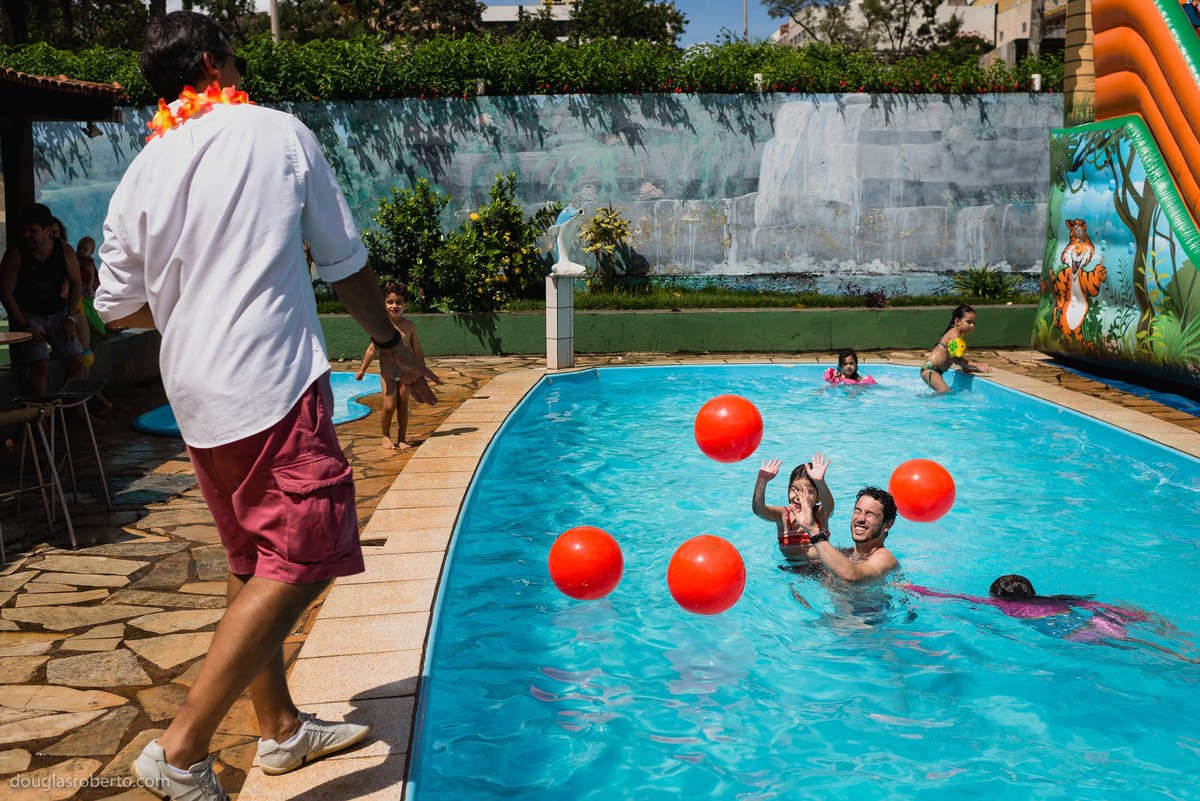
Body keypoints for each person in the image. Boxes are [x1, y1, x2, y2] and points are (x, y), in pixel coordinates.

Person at [93, 12, 442, 801]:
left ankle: (279, 727)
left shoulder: (141, 171)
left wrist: (190, 302)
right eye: (237, 56)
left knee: (253, 560)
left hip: (195, 393)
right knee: (311, 544)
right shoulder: (277, 133)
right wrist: (388, 341)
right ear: (215, 63)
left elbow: (115, 307)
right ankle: (180, 749)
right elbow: (345, 262)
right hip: (270, 382)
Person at [904, 576, 1195, 658]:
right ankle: (1185, 644)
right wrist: (1134, 615)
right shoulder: (1051, 599)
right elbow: (1094, 605)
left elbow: (954, 597)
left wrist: (911, 587)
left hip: (1073, 632)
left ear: (1000, 598)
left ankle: (1183, 658)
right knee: (1147, 643)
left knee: (1134, 650)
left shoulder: (1004, 606)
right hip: (1099, 618)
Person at [0, 203, 86, 397]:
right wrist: (24, 325)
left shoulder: (64, 250)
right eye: (24, 230)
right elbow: (5, 293)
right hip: (28, 316)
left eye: (33, 231)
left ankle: (76, 413)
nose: (26, 235)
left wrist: (70, 318)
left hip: (58, 313)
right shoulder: (15, 255)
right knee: (40, 365)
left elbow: (76, 283)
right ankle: (41, 421)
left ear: (48, 231)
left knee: (77, 361)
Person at [355, 282, 426, 450]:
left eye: (399, 302)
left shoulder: (410, 327)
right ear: (384, 304)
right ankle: (385, 435)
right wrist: (362, 369)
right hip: (387, 373)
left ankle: (401, 438)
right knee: (389, 406)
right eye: (390, 302)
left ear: (405, 305)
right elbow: (372, 350)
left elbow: (417, 350)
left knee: (403, 406)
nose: (395, 306)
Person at [787, 483, 899, 583]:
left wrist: (812, 529)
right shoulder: (846, 554)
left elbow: (851, 576)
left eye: (870, 514)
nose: (860, 519)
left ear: (888, 525)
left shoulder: (885, 559)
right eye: (857, 511)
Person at [752, 455, 835, 563]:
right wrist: (762, 481)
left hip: (821, 567)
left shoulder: (819, 514)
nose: (799, 496)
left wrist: (820, 482)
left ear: (818, 497)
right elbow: (759, 510)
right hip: (791, 569)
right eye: (794, 490)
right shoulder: (783, 516)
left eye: (808, 492)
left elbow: (829, 508)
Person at [920, 303, 993, 393]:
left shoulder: (959, 334)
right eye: (969, 322)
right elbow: (956, 359)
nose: (972, 326)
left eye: (974, 323)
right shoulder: (954, 335)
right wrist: (976, 365)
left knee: (944, 394)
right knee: (946, 393)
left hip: (933, 370)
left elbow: (954, 357)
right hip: (931, 370)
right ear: (957, 321)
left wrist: (966, 368)